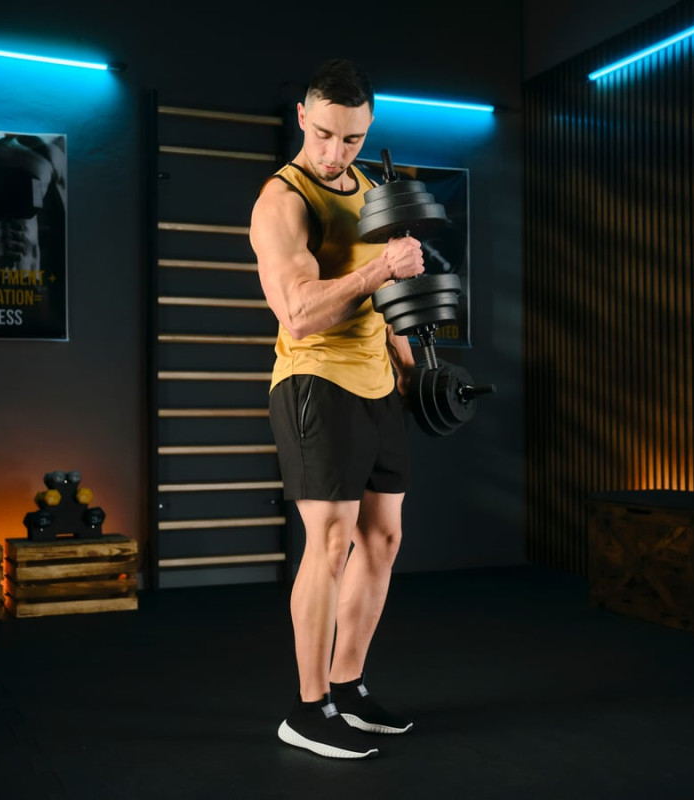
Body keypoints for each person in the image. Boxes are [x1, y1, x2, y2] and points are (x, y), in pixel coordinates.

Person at [249, 57, 425, 760]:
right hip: (315, 382)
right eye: (323, 134)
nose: (335, 152)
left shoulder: (374, 191)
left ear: (368, 128)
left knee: (382, 540)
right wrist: (381, 266)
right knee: (329, 543)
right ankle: (307, 707)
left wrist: (415, 372)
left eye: (351, 138)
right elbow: (297, 315)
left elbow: (389, 303)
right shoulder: (283, 200)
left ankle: (348, 688)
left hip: (378, 383)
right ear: (302, 117)